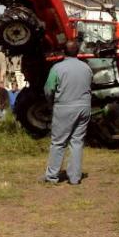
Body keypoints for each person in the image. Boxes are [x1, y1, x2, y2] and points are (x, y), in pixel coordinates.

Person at [41, 40, 92, 185]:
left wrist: (51, 103)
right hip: (84, 107)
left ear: (63, 52)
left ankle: (52, 176)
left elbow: (49, 89)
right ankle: (75, 178)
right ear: (78, 52)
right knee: (77, 142)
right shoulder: (86, 68)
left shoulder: (57, 68)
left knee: (58, 142)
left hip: (64, 107)